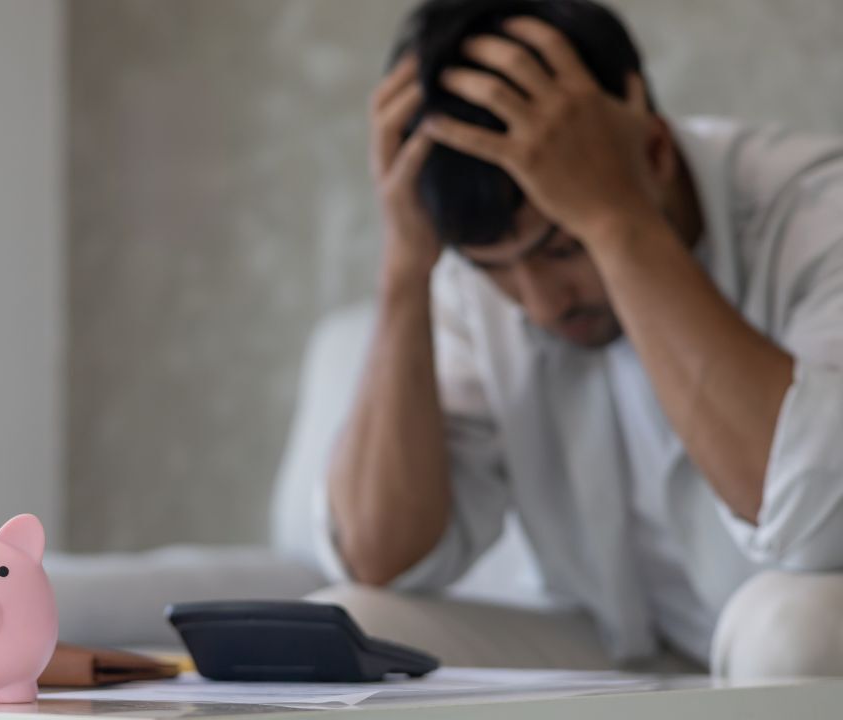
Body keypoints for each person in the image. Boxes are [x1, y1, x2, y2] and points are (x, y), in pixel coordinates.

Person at [314, 0, 843, 676]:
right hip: (621, 646)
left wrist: (615, 219)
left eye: (562, 248)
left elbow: (813, 521)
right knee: (352, 627)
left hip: (801, 626)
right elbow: (379, 556)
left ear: (653, 149)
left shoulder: (821, 211)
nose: (539, 303)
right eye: (493, 268)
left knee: (790, 633)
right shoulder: (476, 277)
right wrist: (405, 268)